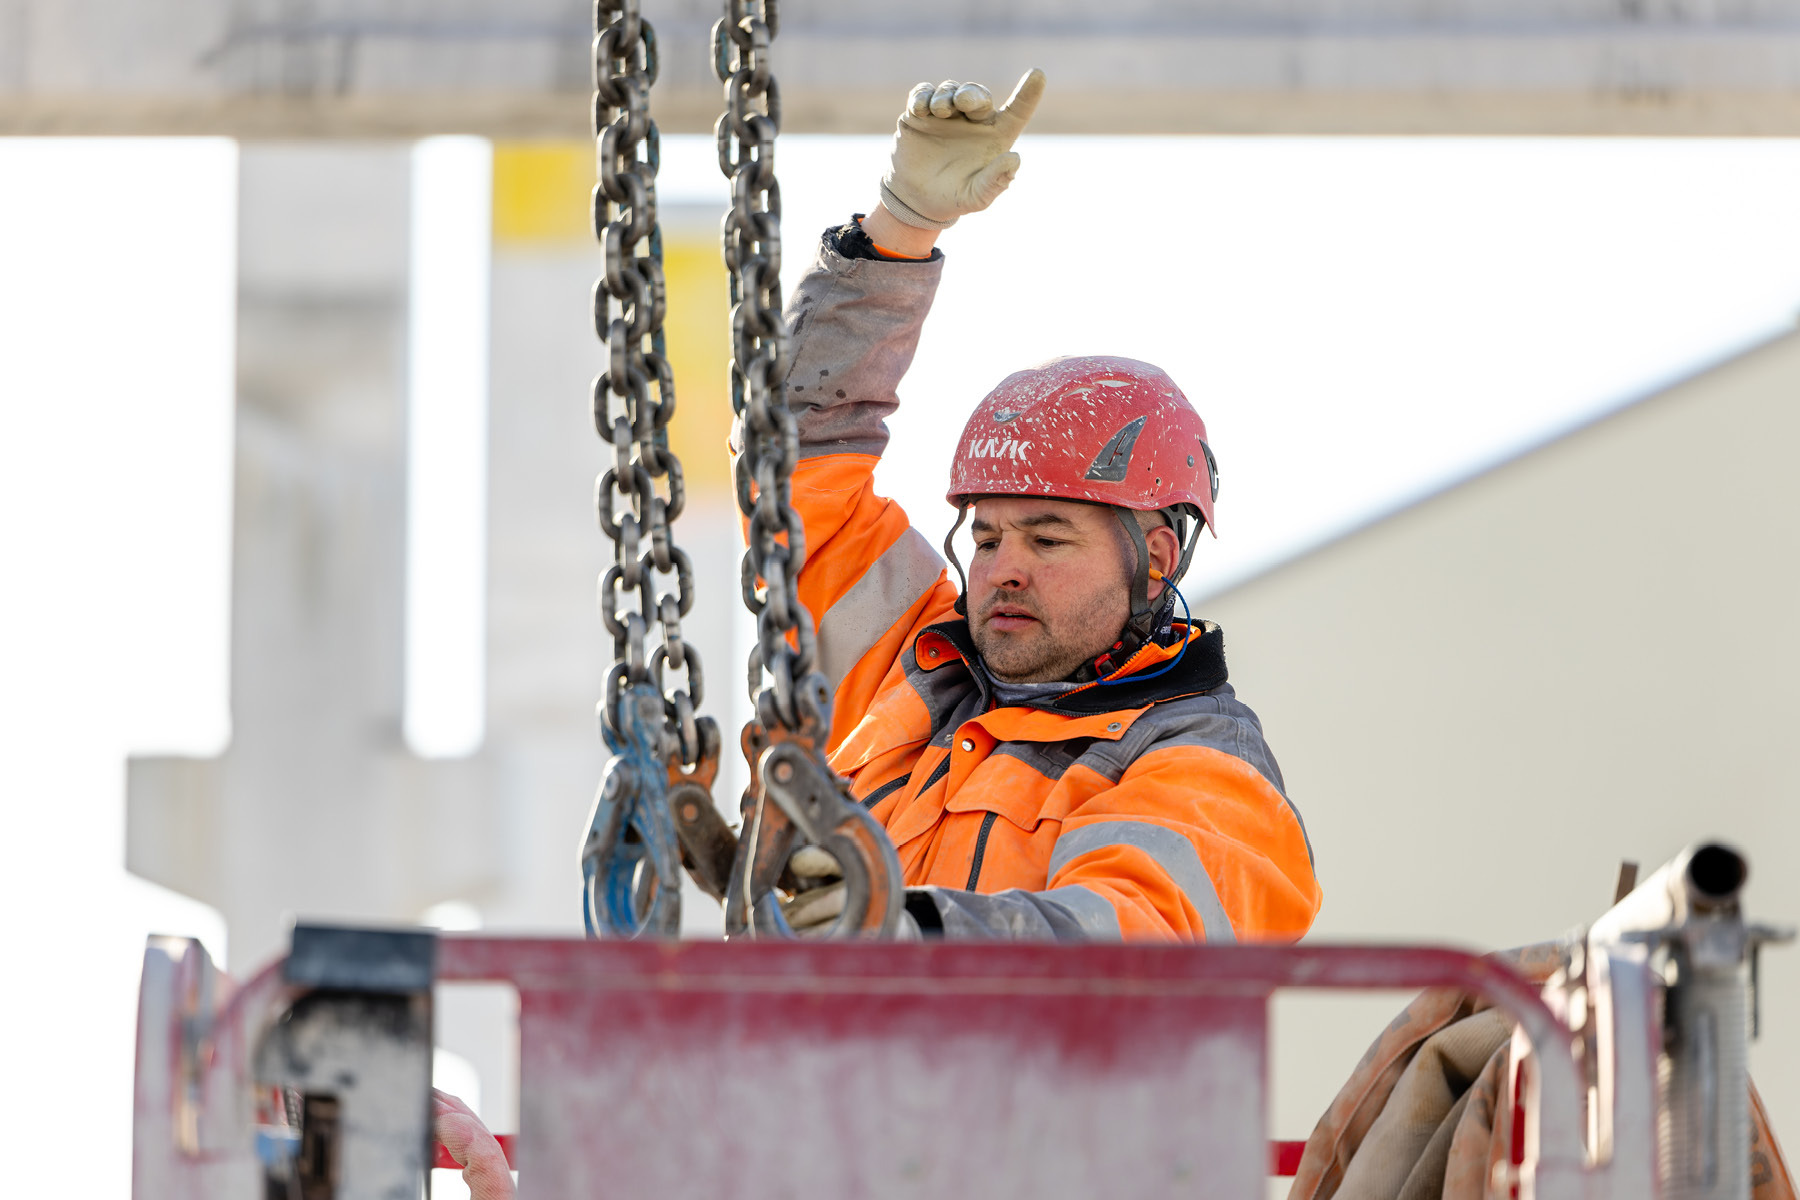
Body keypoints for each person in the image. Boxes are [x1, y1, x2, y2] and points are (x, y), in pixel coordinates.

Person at [766, 69, 1320, 943]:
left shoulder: (1205, 762)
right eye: (986, 537)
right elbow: (795, 459)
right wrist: (900, 228)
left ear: (1156, 561)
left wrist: (907, 935)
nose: (1004, 570)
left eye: (1048, 539)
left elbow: (1130, 940)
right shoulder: (906, 667)